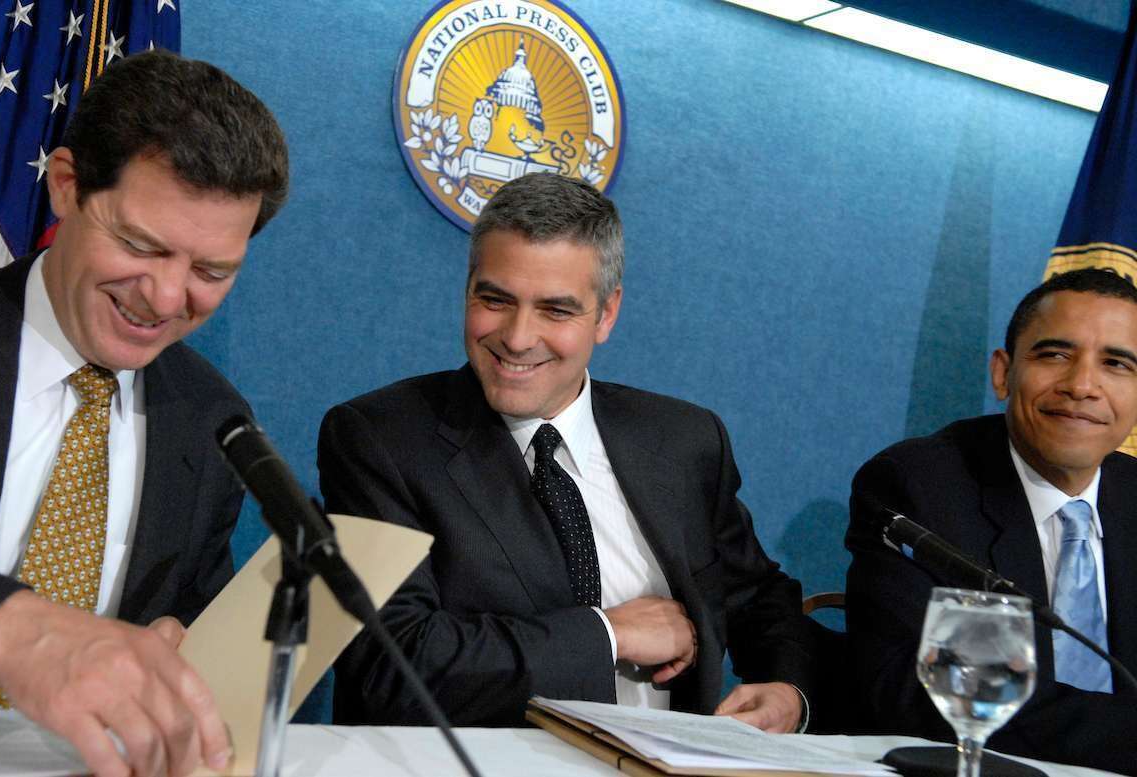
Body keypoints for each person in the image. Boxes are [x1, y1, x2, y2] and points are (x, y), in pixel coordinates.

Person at [318, 173, 815, 729]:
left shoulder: (685, 439)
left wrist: (787, 687)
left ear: (606, 315)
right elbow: (391, 664)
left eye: (556, 311)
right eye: (495, 299)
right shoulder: (381, 439)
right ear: (467, 290)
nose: (518, 336)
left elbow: (756, 594)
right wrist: (611, 634)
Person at [0, 50, 289, 777]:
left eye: (210, 271)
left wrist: (180, 646)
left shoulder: (210, 417)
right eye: (139, 244)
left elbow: (189, 612)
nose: (165, 298)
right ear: (66, 186)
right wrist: (4, 624)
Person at [846, 268, 1137, 774]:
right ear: (1003, 373)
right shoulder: (920, 486)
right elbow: (911, 691)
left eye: (1116, 364)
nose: (1082, 385)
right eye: (1055, 355)